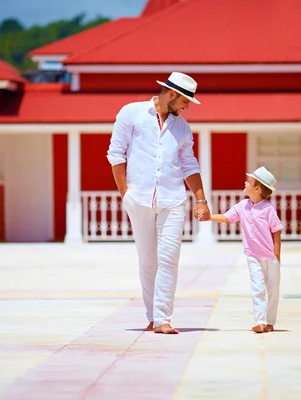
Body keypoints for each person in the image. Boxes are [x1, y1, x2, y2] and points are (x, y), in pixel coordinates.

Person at [107, 72, 211, 335]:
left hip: (173, 199)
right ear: (172, 94)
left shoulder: (183, 128)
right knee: (148, 260)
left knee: (169, 258)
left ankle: (163, 318)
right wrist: (125, 193)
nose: (187, 107)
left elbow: (189, 165)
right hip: (138, 198)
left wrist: (201, 199)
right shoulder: (130, 113)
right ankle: (153, 316)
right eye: (186, 100)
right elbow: (116, 153)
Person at [201, 167, 282, 333]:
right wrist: (209, 217)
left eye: (249, 181)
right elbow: (226, 217)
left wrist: (277, 255)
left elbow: (276, 231)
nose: (245, 183)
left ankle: (270, 322)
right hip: (253, 256)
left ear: (257, 188)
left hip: (270, 257)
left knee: (273, 291)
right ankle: (260, 321)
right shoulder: (242, 206)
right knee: (257, 288)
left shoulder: (268, 209)